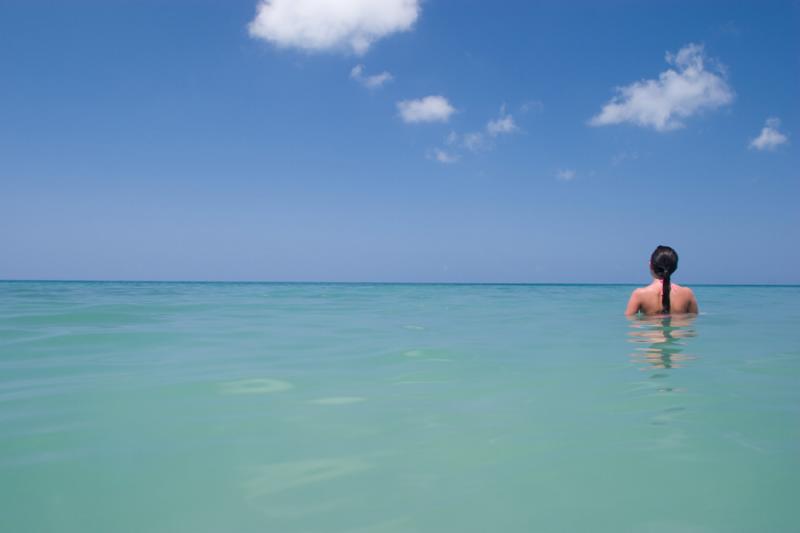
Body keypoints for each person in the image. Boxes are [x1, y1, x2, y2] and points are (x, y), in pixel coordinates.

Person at [625, 245, 699, 316]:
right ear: (675, 268)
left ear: (650, 265)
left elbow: (629, 321)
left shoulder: (639, 294)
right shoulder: (687, 294)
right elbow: (694, 320)